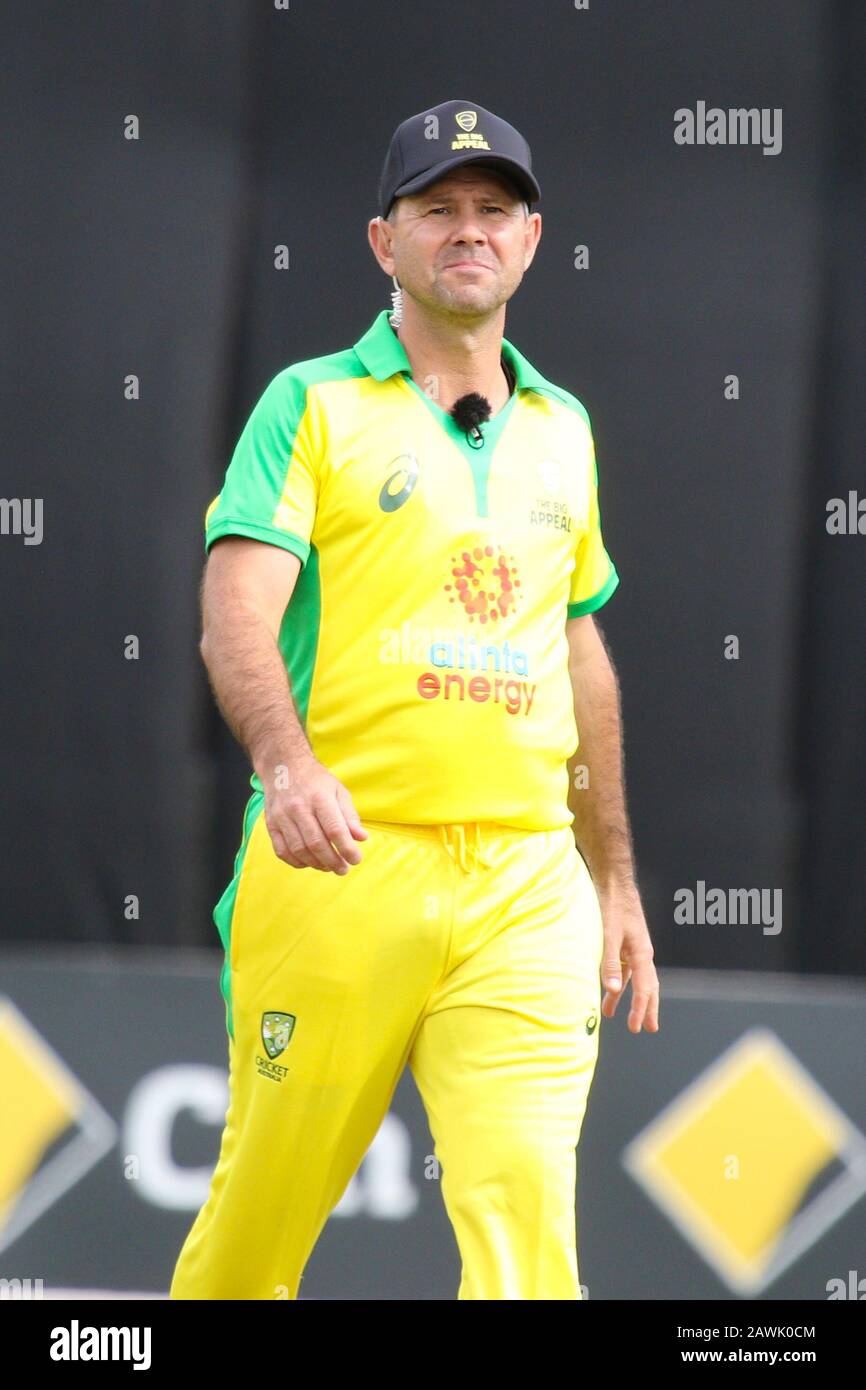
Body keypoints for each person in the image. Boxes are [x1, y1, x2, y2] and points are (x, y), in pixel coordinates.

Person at [170, 98, 659, 1301]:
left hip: (521, 884)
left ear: (531, 239)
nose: (467, 231)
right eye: (434, 209)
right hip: (341, 869)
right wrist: (286, 766)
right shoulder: (310, 404)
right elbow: (234, 606)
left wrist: (611, 874)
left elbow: (577, 648)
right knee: (255, 1235)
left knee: (528, 1238)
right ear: (381, 242)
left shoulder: (563, 428)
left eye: (492, 209)